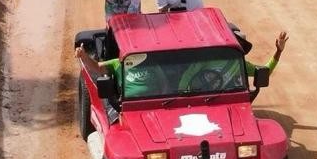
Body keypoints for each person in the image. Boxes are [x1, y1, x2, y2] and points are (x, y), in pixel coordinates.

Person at [74, 31, 288, 101]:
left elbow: (265, 71)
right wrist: (83, 56)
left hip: (223, 100)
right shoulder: (200, 62)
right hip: (136, 104)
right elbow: (98, 69)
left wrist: (278, 51)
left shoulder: (241, 63)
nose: (234, 49)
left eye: (236, 47)